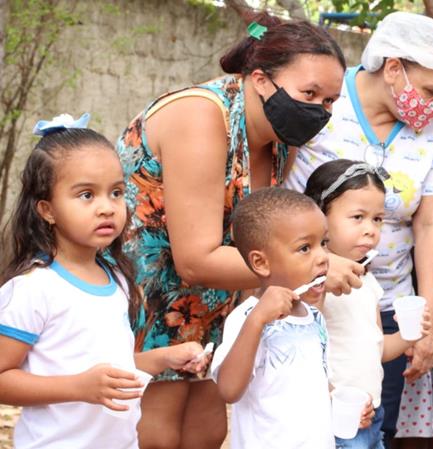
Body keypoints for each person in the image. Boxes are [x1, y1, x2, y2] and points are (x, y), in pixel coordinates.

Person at [116, 11, 349, 448]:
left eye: (330, 101)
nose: (319, 111)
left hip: (213, 304)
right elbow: (196, 258)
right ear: (261, 80)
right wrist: (312, 267)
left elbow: (258, 239)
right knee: (154, 432)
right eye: (309, 93)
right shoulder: (202, 117)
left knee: (208, 431)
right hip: (143, 296)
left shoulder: (281, 139)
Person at [284, 11, 433, 446]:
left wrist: (427, 324)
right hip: (312, 302)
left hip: (387, 304)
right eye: (432, 90)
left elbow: (432, 223)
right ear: (394, 69)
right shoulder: (324, 100)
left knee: (375, 424)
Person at [0, 115, 207, 449]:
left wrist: (165, 358)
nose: (107, 208)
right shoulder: (33, 289)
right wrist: (78, 388)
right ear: (46, 209)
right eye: (86, 195)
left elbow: (113, 370)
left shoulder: (118, 280)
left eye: (116, 192)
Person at [304, 159, 432, 449]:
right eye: (357, 217)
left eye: (377, 219)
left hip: (372, 413)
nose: (371, 230)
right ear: (320, 216)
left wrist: (409, 335)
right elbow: (304, 350)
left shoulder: (368, 282)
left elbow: (378, 349)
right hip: (334, 416)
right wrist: (331, 397)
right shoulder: (315, 285)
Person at [211, 187, 349, 449]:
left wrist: (337, 403)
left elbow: (312, 386)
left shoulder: (315, 317)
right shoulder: (248, 318)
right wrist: (257, 322)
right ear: (261, 263)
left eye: (324, 243)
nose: (322, 257)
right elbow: (229, 390)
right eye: (305, 248)